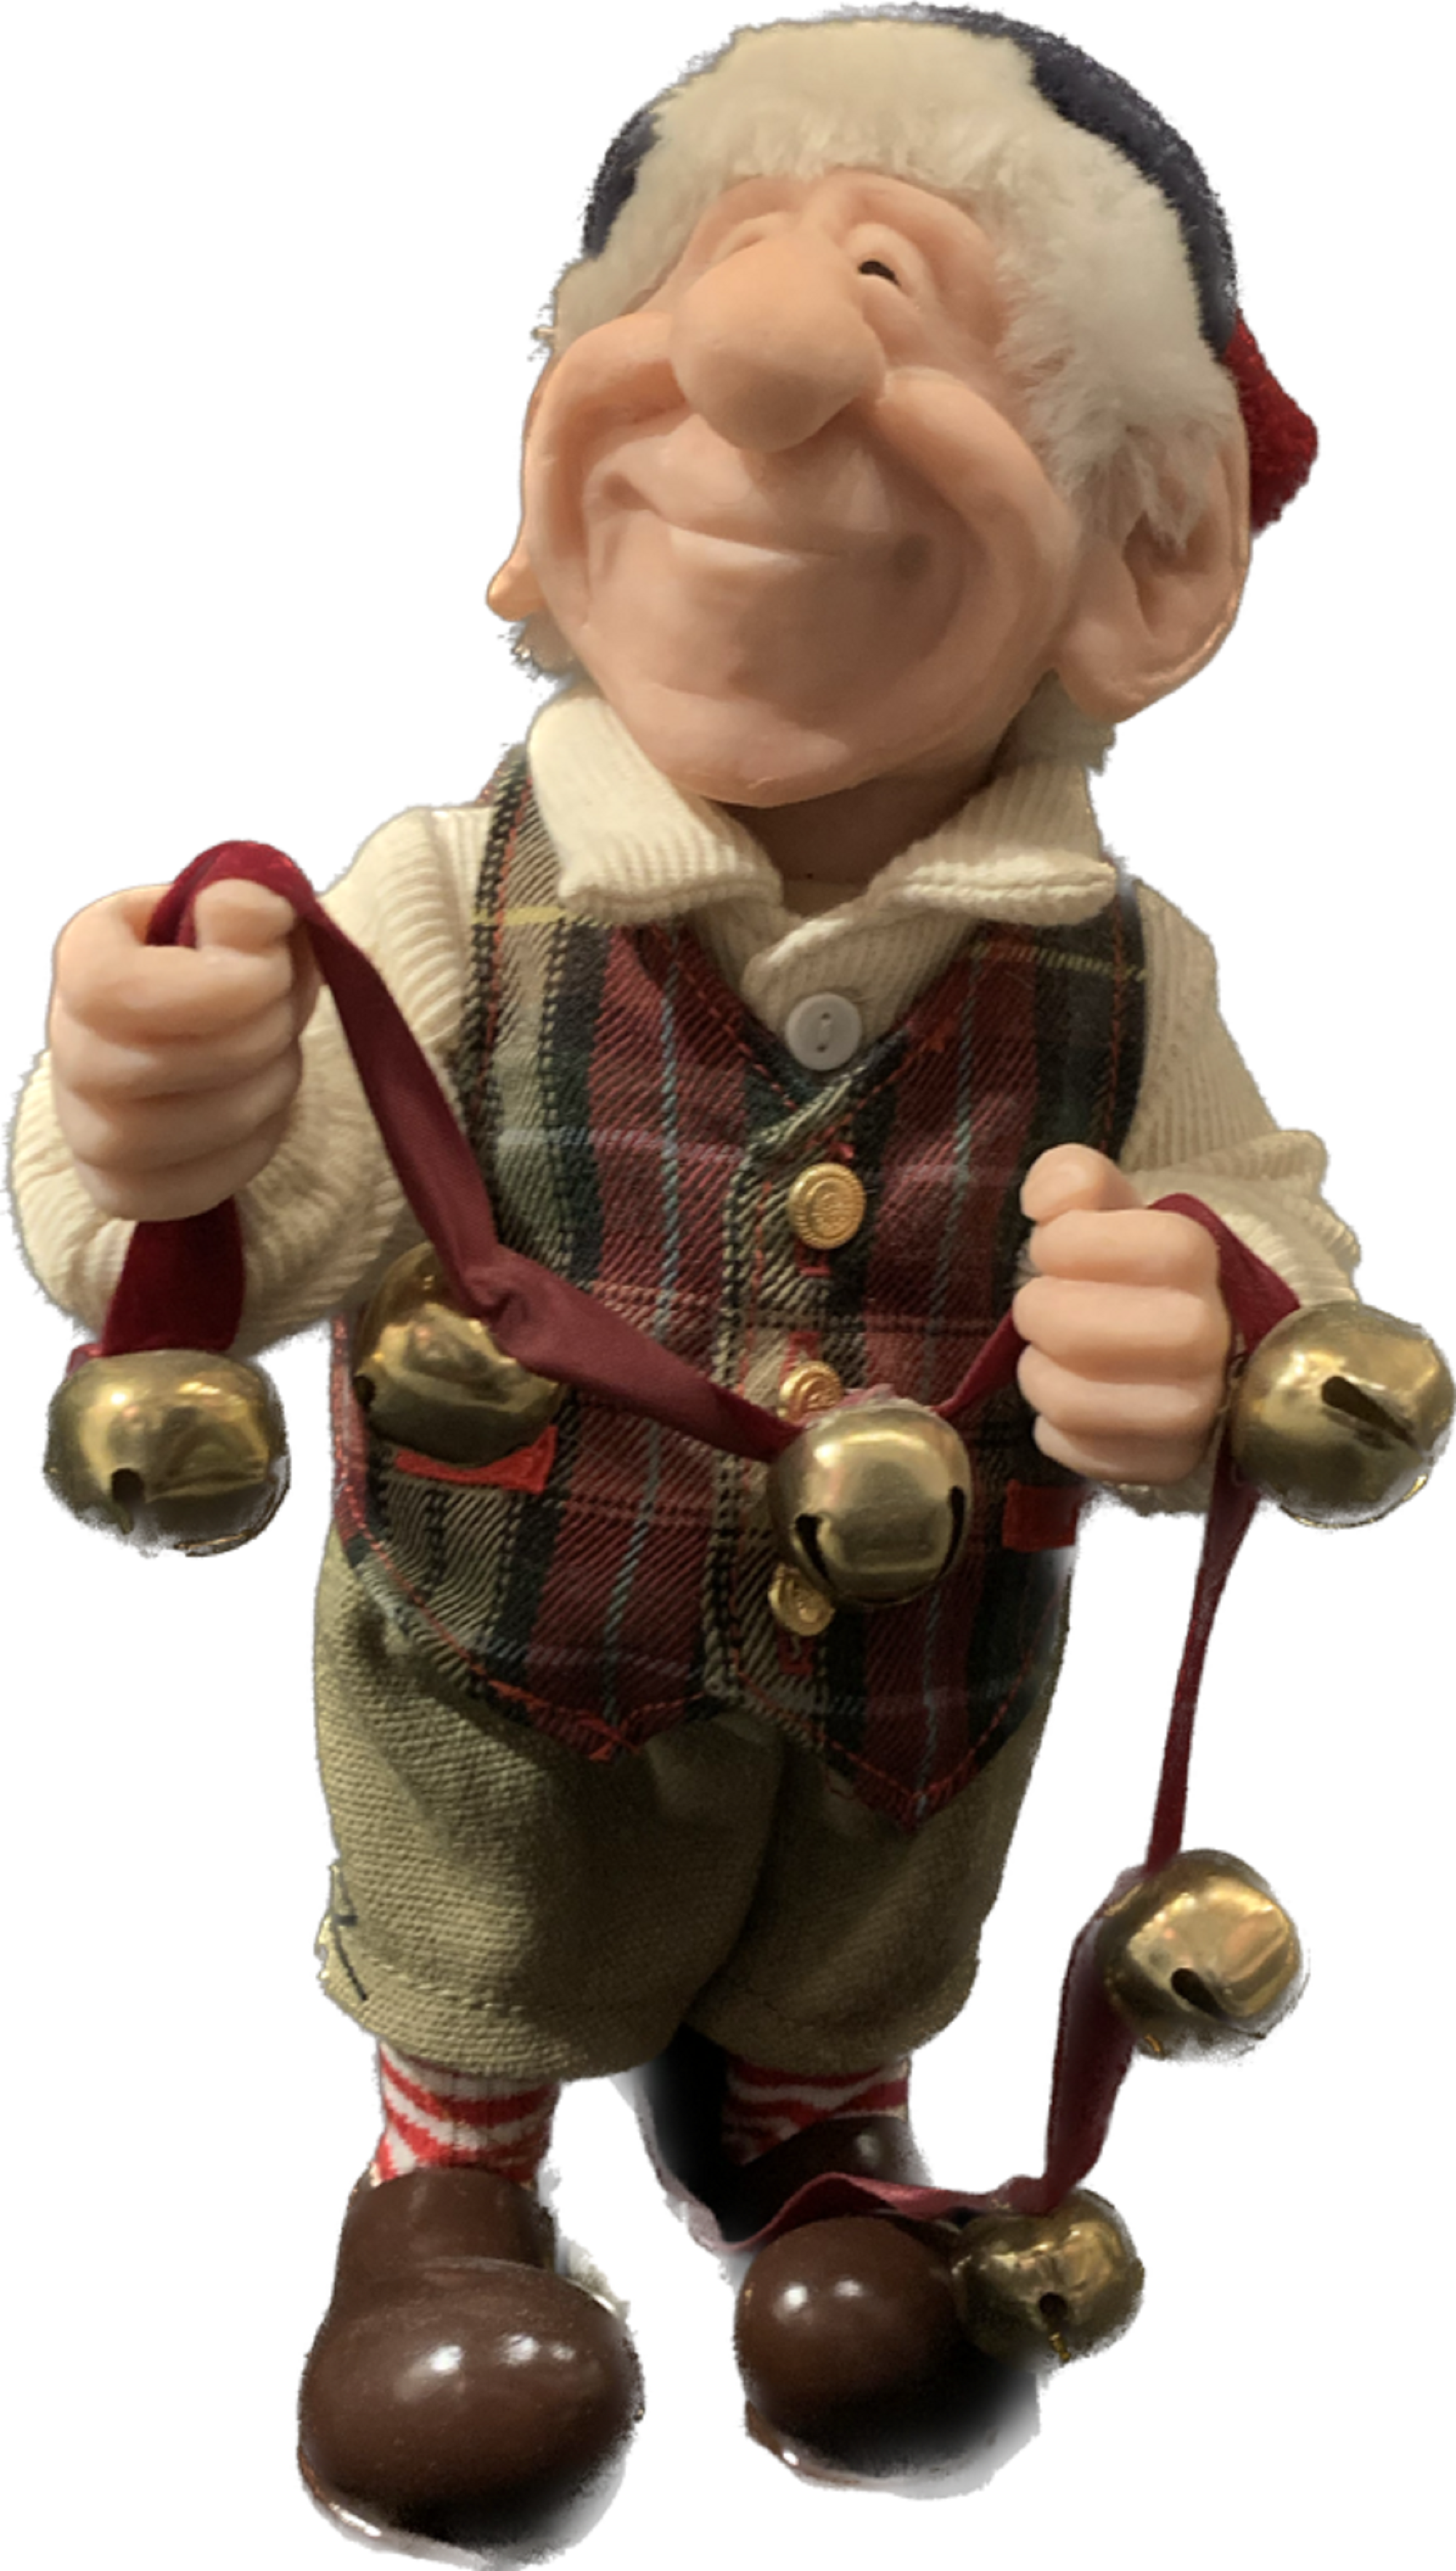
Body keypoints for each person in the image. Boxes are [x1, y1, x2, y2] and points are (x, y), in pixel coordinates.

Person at [4, 9, 1386, 2551]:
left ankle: (816, 2134)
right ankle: (449, 2180)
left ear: (1143, 554)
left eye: (891, 288)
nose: (760, 353)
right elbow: (236, 1237)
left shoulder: (1118, 965)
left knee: (859, 1915)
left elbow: (1269, 1216)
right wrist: (161, 1128)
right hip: (511, 1655)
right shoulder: (448, 891)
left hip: (908, 1695)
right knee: (491, 1906)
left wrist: (1208, 1308)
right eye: (717, 271)